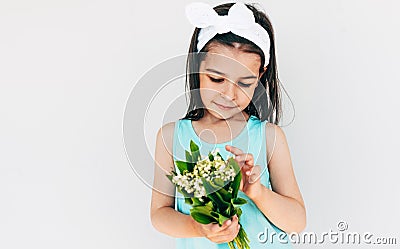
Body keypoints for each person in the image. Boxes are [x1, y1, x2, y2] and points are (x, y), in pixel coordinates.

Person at [150, 2, 306, 248]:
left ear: (261, 75)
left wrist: (257, 191)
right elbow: (159, 214)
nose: (229, 94)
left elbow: (297, 222)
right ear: (197, 65)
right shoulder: (171, 137)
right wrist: (196, 227)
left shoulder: (268, 136)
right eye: (216, 78)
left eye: (244, 83)